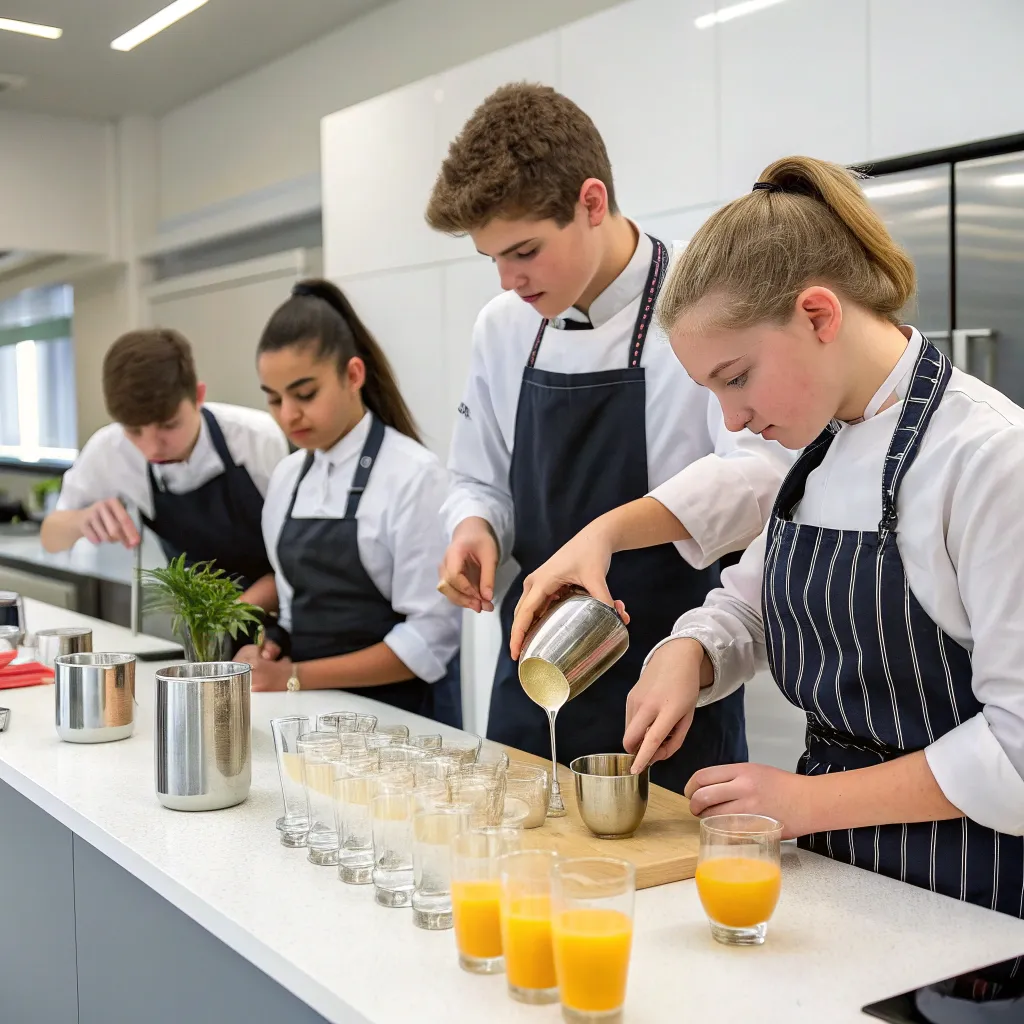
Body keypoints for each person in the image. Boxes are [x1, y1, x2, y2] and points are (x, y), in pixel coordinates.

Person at [624, 155, 1024, 916]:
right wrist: (689, 651)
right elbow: (751, 606)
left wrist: (808, 803)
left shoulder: (992, 460)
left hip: (976, 909)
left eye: (736, 378)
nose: (733, 420)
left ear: (818, 315)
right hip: (842, 882)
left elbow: (1019, 754)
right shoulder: (816, 451)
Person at [426, 83, 791, 792]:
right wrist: (475, 529)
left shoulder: (700, 295)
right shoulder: (502, 328)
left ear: (592, 203)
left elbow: (762, 472)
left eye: (525, 250)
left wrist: (609, 531)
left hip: (668, 680)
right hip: (535, 675)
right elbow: (478, 477)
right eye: (493, 259)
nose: (509, 279)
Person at [234, 279, 462, 723]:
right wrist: (275, 642)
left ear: (353, 375)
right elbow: (295, 605)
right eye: (274, 399)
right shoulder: (286, 477)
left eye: (305, 395)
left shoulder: (413, 475)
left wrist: (294, 676)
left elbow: (431, 638)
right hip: (308, 717)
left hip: (404, 724)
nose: (288, 415)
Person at [41, 328, 287, 604]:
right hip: (201, 617)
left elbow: (298, 558)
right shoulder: (110, 449)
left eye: (169, 426)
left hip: (282, 606)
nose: (152, 447)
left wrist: (232, 616)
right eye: (134, 431)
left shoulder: (256, 439)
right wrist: (81, 520)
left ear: (198, 396)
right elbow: (51, 537)